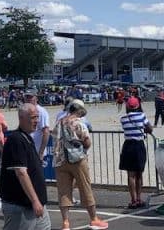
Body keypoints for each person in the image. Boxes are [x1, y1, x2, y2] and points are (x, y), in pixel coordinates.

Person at [53, 99, 107, 230]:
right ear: (79, 110)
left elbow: (54, 136)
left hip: (60, 159)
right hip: (77, 159)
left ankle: (65, 222)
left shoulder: (59, 122)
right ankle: (94, 219)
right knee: (85, 187)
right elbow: (87, 142)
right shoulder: (78, 123)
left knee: (64, 191)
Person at [0, 103, 50, 230]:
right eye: (33, 117)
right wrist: (34, 201)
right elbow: (21, 172)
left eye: (37, 117)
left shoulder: (27, 138)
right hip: (21, 204)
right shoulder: (16, 140)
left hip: (36, 204)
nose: (36, 121)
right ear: (22, 118)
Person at [119, 96, 152, 209]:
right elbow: (150, 128)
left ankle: (133, 200)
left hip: (128, 145)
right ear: (137, 105)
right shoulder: (142, 116)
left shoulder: (123, 118)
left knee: (131, 175)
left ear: (127, 106)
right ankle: (139, 198)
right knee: (139, 174)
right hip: (139, 145)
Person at [25, 93, 51, 162]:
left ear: (36, 98)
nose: (28, 99)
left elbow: (46, 132)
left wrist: (41, 152)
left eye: (30, 97)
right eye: (27, 97)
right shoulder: (25, 111)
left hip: (37, 152)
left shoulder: (41, 112)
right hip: (27, 152)